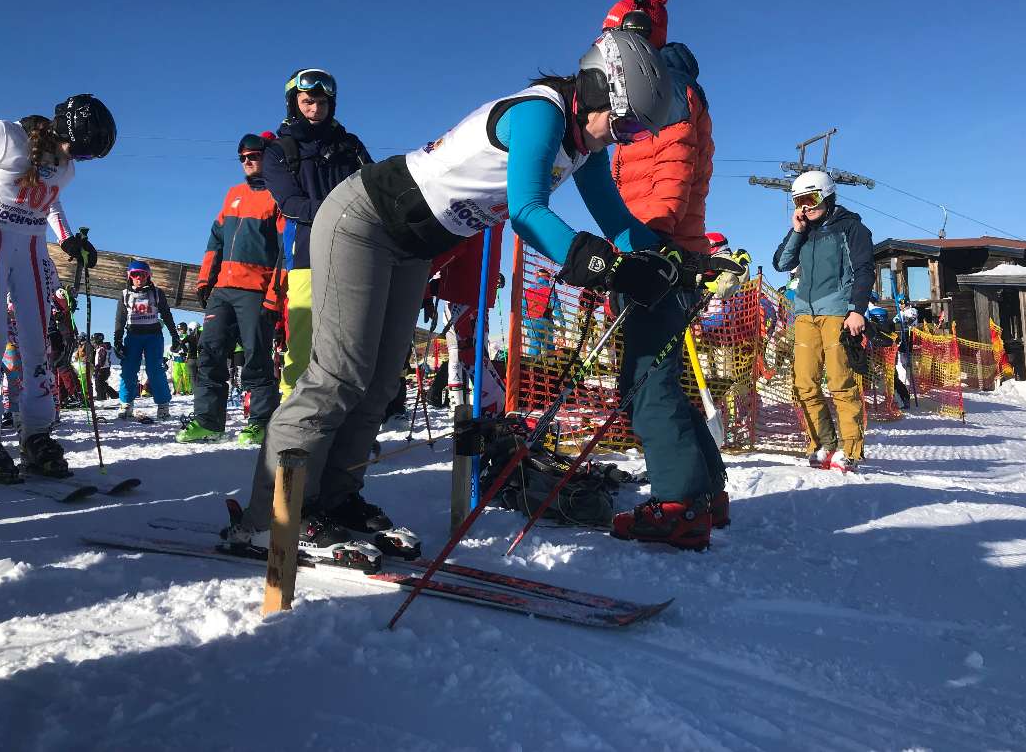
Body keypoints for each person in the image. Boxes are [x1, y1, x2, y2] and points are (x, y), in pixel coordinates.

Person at [224, 31, 681, 554]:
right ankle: (270, 518)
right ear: (598, 89)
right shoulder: (543, 115)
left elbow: (615, 218)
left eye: (635, 133)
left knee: (376, 385)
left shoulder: (583, 145)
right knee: (337, 377)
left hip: (415, 245)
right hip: (365, 219)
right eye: (623, 123)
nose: (621, 138)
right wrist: (605, 267)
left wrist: (673, 256)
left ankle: (334, 500)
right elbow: (528, 214)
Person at [601, 0, 746, 549]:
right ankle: (705, 492)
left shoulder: (661, 83)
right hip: (661, 249)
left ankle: (679, 506)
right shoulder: (657, 84)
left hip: (657, 252)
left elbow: (674, 164)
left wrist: (649, 242)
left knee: (646, 381)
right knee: (661, 378)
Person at [0, 95, 112, 480]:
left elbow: (50, 201)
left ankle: (37, 435)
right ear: (63, 131)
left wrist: (69, 239)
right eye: (78, 151)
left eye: (85, 158)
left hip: (32, 248)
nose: (76, 160)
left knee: (37, 344)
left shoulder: (65, 166)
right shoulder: (3, 134)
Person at [262, 71, 373, 399]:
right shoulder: (279, 151)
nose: (315, 109)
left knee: (350, 339)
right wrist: (339, 211)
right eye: (308, 101)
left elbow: (372, 185)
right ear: (294, 104)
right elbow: (291, 202)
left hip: (353, 252)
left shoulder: (349, 146)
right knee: (303, 338)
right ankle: (291, 417)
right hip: (308, 254)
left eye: (322, 102)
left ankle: (344, 414)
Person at [178, 134, 283, 445]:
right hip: (223, 288)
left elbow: (284, 252)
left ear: (268, 157)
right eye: (243, 158)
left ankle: (260, 421)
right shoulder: (232, 195)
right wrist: (204, 280)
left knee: (256, 355)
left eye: (253, 155)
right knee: (209, 352)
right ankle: (209, 421)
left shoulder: (278, 197)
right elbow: (216, 240)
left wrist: (275, 293)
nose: (248, 161)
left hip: (256, 290)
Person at [772, 170, 874, 472]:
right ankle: (822, 444)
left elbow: (864, 269)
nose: (805, 207)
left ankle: (851, 449)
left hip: (837, 313)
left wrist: (857, 310)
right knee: (804, 382)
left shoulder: (851, 228)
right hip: (805, 313)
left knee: (841, 382)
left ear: (827, 196)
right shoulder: (804, 231)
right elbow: (781, 263)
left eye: (811, 199)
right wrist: (797, 231)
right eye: (798, 201)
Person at [114, 260, 180, 421]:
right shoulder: (125, 294)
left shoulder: (157, 293)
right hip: (133, 336)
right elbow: (120, 320)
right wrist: (117, 340)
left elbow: (166, 315)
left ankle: (163, 405)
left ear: (148, 276)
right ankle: (127, 404)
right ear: (130, 276)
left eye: (142, 274)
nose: (139, 278)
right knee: (129, 370)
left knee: (155, 370)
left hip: (153, 336)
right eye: (135, 274)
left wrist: (175, 335)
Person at [91, 333, 114, 401]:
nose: (93, 343)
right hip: (104, 368)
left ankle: (101, 397)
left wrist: (97, 368)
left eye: (93, 341)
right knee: (102, 383)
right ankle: (112, 394)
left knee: (99, 384)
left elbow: (101, 359)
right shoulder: (100, 348)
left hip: (102, 369)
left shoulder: (101, 348)